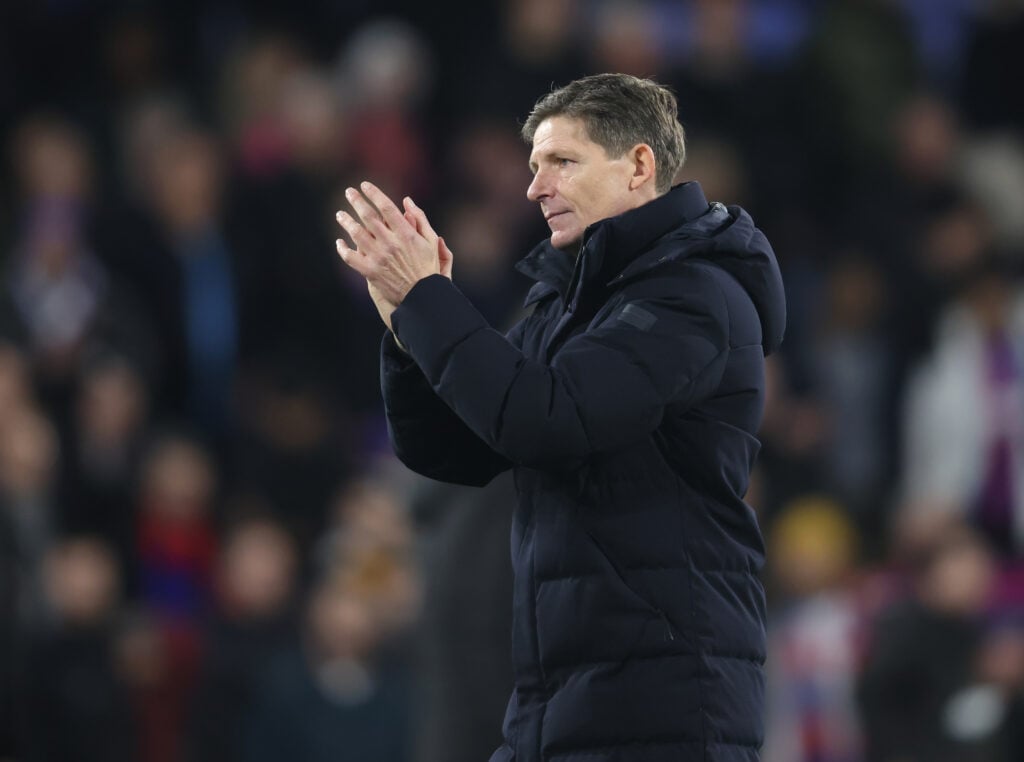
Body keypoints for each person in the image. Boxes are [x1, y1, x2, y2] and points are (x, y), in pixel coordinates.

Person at [336, 73, 786, 762]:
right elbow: (456, 451)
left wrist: (431, 299)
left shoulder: (693, 296)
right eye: (533, 166)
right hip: (562, 701)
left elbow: (544, 420)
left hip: (666, 705)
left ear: (639, 165)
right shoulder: (565, 305)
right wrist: (407, 325)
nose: (534, 186)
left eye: (561, 162)